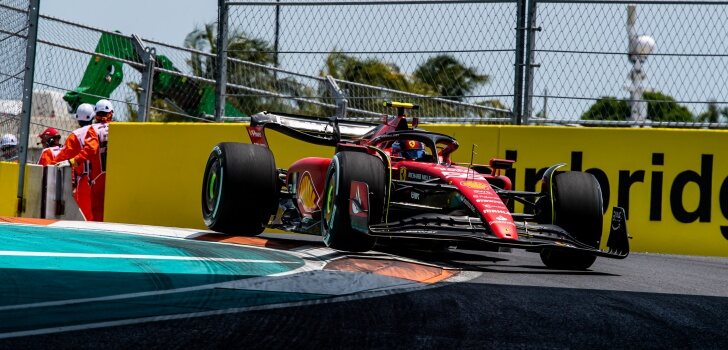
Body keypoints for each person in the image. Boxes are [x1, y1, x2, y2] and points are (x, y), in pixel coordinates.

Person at [56, 99, 112, 221]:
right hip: (113, 178)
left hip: (88, 180)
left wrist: (70, 162)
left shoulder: (78, 134)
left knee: (90, 216)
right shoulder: (117, 128)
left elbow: (62, 157)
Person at [52, 103, 97, 220]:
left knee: (84, 217)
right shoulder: (100, 130)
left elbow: (61, 158)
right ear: (93, 117)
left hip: (84, 181)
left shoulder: (75, 136)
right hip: (101, 177)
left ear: (78, 119)